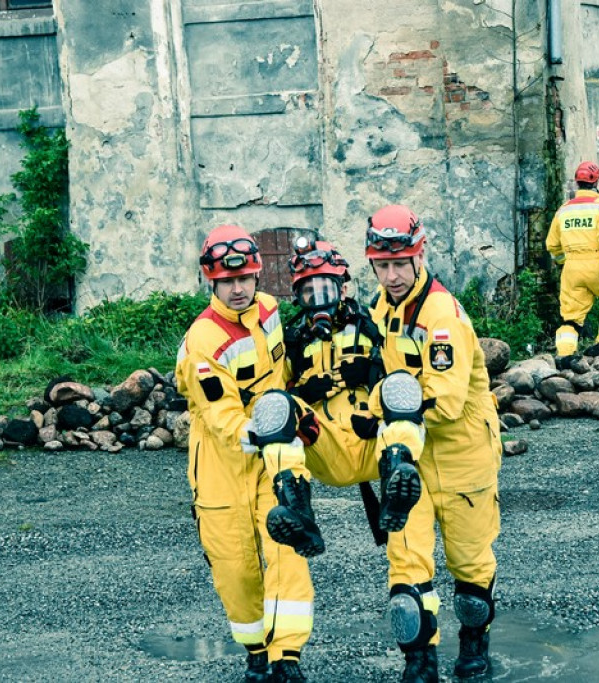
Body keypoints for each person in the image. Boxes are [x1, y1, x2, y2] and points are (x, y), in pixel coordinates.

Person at [175, 224, 320, 683]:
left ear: (257, 275)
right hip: (222, 464)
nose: (237, 289)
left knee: (287, 551)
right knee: (234, 568)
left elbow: (283, 369)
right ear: (211, 281)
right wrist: (272, 428)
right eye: (227, 281)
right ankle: (257, 654)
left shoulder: (270, 310)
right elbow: (223, 418)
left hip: (273, 459)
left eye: (244, 278)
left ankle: (287, 658)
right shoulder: (202, 341)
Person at [364, 204, 502, 682]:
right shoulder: (380, 309)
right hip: (410, 462)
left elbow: (443, 401)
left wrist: (379, 406)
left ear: (420, 256)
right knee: (406, 568)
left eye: (401, 264)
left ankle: (474, 642)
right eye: (383, 266)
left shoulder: (441, 315)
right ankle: (420, 662)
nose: (393, 276)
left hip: (462, 453)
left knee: (470, 566)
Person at [281, 236, 385, 527]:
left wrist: (372, 371)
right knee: (278, 408)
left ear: (343, 289)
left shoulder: (371, 324)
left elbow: (402, 379)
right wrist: (303, 392)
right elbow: (279, 392)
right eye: (309, 292)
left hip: (371, 435)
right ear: (298, 297)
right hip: (325, 446)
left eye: (326, 289)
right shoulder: (294, 341)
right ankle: (298, 517)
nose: (318, 299)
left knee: (406, 414)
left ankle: (399, 499)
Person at [546, 161, 599, 366]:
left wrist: (565, 262)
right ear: (597, 182)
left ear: (577, 182)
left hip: (572, 268)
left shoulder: (563, 210)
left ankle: (565, 357)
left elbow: (552, 245)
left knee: (570, 319)